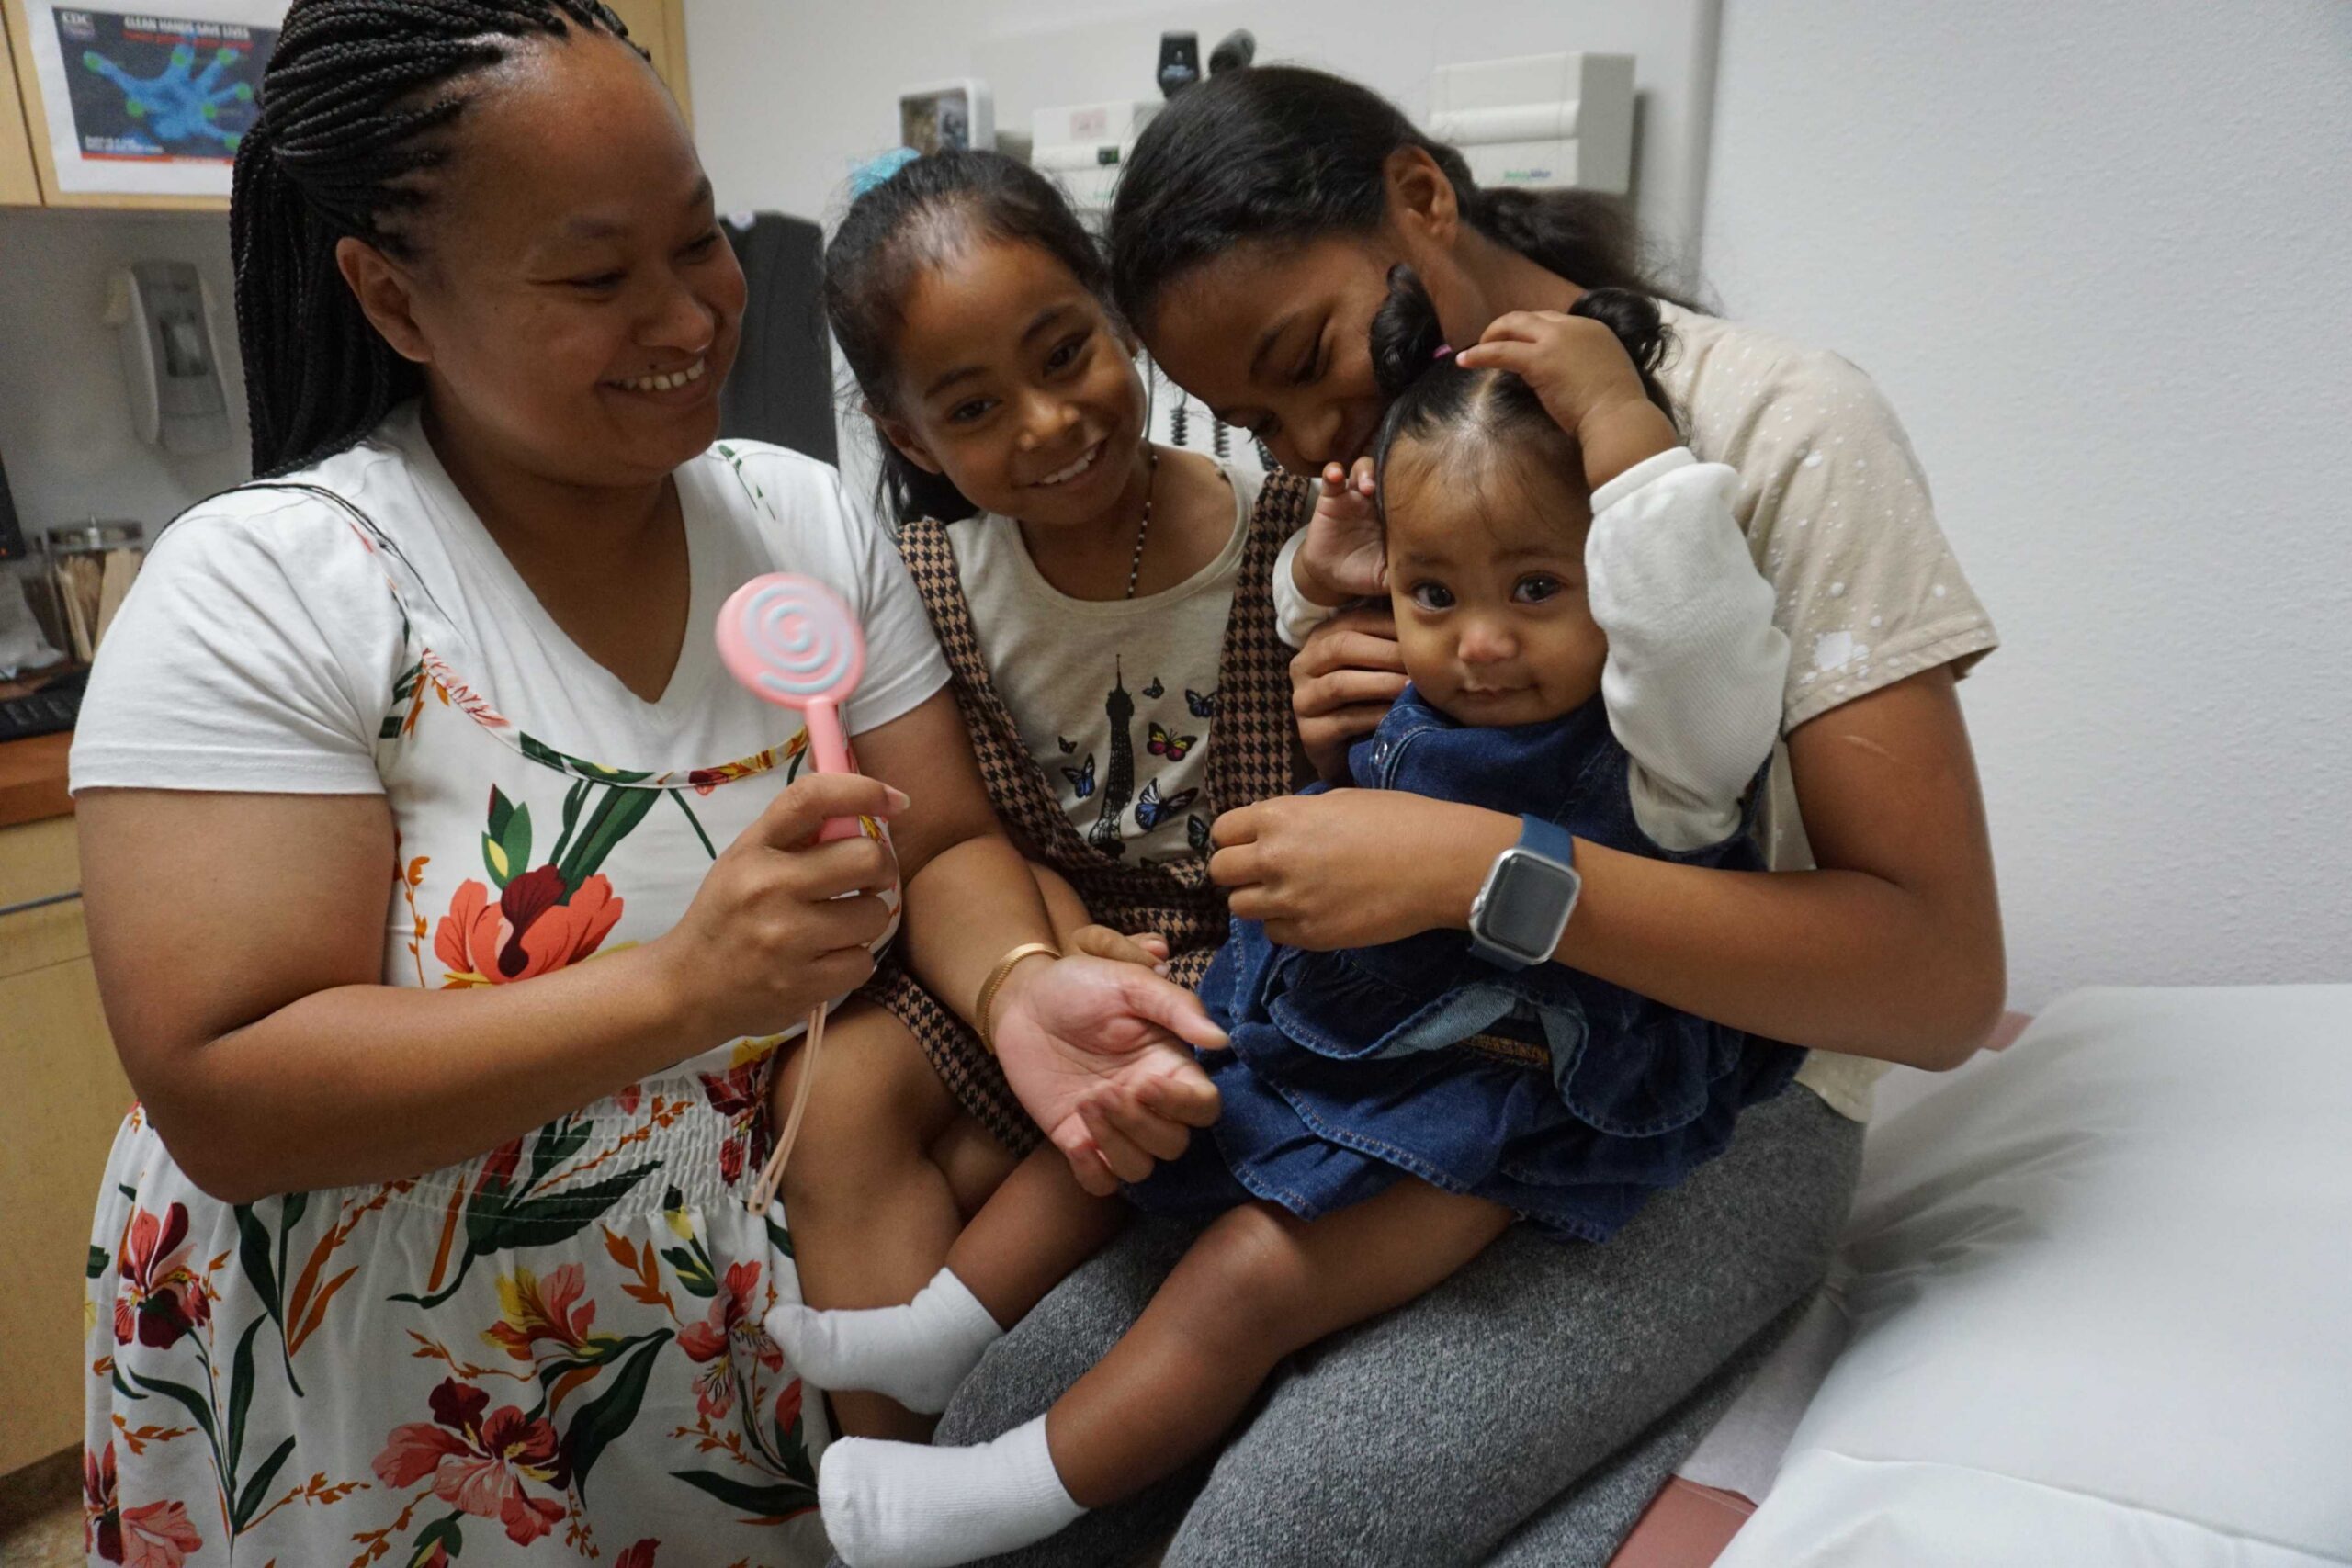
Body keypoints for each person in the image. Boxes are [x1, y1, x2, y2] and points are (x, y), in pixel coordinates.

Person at [70, 7, 1220, 1563]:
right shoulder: (268, 587)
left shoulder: (803, 521)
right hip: (393, 1412)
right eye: (598, 277)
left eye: (702, 241)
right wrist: (684, 986)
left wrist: (1018, 987)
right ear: (392, 295)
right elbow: (229, 1092)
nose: (689, 315)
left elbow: (940, 836)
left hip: (740, 1370)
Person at [916, 63, 2007, 1567]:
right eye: (1255, 418)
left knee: (1277, 1536)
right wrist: (1343, 764)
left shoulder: (1774, 427)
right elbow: (1333, 841)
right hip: (1396, 1054)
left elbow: (1937, 986)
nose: (1306, 441)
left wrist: (1481, 865)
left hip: (1693, 1099)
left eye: (1312, 357)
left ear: (1422, 198)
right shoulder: (1351, 493)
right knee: (991, 1448)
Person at [775, 265, 1810, 1568]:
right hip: (1327, 1024)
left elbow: (1698, 619)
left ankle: (1000, 1493)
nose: (1480, 644)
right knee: (1127, 1116)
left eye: (1539, 591)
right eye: (1437, 595)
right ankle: (941, 1322)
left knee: (1246, 1282)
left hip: (1496, 1100)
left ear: (1611, 574)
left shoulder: (1664, 742)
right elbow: (1333, 630)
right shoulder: (1434, 665)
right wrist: (1327, 583)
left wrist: (1620, 425)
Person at [767, 148, 1319, 1440]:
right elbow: (951, 831)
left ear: (1121, 316)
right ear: (908, 437)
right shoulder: (923, 580)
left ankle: (967, 1411)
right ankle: (885, 1460)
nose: (1046, 424)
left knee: (1017, 1151)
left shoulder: (1298, 535)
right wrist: (1052, 931)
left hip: (1260, 961)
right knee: (836, 1089)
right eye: (971, 409)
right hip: (1026, 935)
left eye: (1066, 354)